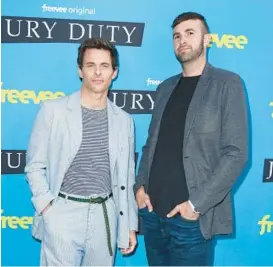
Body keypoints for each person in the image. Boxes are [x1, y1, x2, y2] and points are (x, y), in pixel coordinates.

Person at [134, 12, 248, 266]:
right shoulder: (164, 88)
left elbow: (236, 153)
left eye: (189, 33)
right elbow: (150, 145)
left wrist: (195, 206)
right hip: (152, 215)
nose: (182, 40)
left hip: (190, 221)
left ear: (206, 39)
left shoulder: (227, 84)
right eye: (176, 36)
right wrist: (139, 187)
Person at [25, 38, 138, 266]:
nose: (97, 72)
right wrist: (48, 208)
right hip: (63, 213)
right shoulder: (53, 111)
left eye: (104, 66)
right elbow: (34, 166)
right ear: (80, 70)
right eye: (90, 65)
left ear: (114, 72)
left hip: (105, 215)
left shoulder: (124, 120)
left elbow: (127, 178)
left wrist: (129, 226)